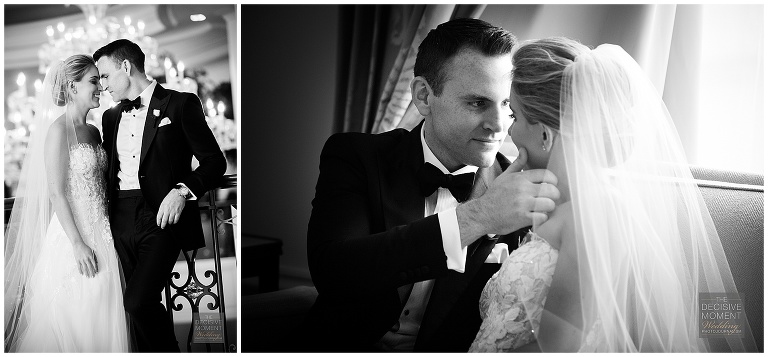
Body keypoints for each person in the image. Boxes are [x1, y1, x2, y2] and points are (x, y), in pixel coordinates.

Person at [469, 37, 757, 352]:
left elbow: (557, 348)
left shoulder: (594, 212)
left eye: (516, 117)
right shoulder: (554, 203)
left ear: (544, 135)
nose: (508, 131)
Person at [301, 18, 559, 352]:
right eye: (477, 102)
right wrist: (476, 217)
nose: (499, 125)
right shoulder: (356, 156)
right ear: (424, 96)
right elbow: (333, 272)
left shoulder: (519, 189)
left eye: (508, 105)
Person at [93, 39, 226, 352]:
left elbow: (214, 161)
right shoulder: (110, 118)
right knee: (132, 310)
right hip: (119, 220)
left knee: (137, 302)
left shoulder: (180, 104)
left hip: (162, 218)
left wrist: (182, 191)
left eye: (105, 75)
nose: (103, 85)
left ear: (126, 67)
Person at [4, 55, 130, 352]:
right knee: (78, 318)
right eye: (93, 81)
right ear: (72, 87)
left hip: (105, 236)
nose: (101, 87)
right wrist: (77, 243)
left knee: (107, 313)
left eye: (100, 79)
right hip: (75, 238)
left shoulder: (95, 132)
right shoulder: (57, 132)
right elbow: (56, 194)